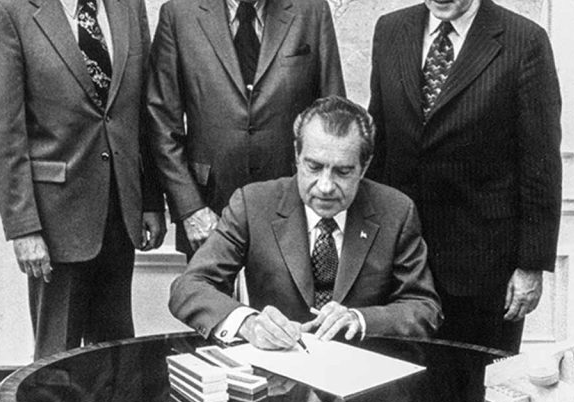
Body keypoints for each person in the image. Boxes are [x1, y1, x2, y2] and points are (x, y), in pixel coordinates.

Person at [0, 0, 166, 361]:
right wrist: (23, 229)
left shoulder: (129, 5)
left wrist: (150, 202)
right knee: (56, 364)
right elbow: (3, 132)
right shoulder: (11, 13)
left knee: (117, 357)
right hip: (54, 224)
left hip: (119, 217)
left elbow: (142, 115)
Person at [367, 0, 562, 355]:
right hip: (398, 264)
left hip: (482, 272)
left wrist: (530, 267)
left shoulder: (523, 42)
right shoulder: (390, 30)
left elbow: (540, 164)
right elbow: (378, 145)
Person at [146, 0, 345, 258]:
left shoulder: (311, 14)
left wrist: (321, 204)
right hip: (209, 212)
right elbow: (162, 125)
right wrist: (190, 208)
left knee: (290, 315)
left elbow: (333, 119)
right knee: (215, 312)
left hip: (295, 209)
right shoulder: (179, 17)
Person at [169, 96, 442, 348]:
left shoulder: (396, 211)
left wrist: (360, 320)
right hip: (280, 379)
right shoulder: (253, 204)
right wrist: (249, 324)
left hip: (365, 377)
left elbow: (424, 307)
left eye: (343, 172)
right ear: (297, 156)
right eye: (313, 167)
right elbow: (188, 288)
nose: (325, 186)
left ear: (365, 166)